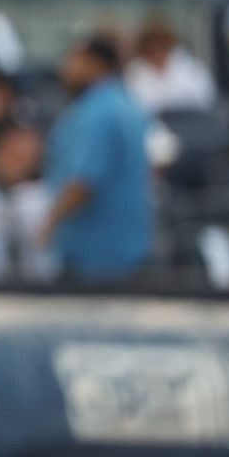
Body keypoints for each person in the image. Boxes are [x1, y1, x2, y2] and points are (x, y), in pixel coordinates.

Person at [40, 35, 153, 280]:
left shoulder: (99, 114)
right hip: (128, 253)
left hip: (95, 258)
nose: (65, 68)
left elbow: (83, 182)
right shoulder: (127, 104)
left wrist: (48, 223)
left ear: (96, 65)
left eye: (74, 60)